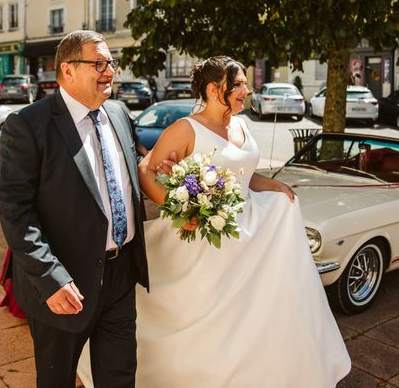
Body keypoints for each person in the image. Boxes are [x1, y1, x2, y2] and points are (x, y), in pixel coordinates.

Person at [78, 56, 351, 387]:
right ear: (213, 88)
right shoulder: (185, 129)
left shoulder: (242, 125)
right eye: (238, 85)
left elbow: (246, 177)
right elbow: (146, 171)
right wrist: (182, 209)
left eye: (245, 85)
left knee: (254, 311)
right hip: (201, 236)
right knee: (199, 313)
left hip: (248, 233)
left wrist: (275, 187)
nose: (246, 91)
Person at [0, 30, 151, 388]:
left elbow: (136, 172)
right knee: (57, 380)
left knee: (120, 377)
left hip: (121, 275)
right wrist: (51, 279)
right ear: (67, 70)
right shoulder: (28, 125)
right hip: (64, 282)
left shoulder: (118, 112)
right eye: (98, 63)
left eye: (111, 62)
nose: (109, 70)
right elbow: (16, 213)